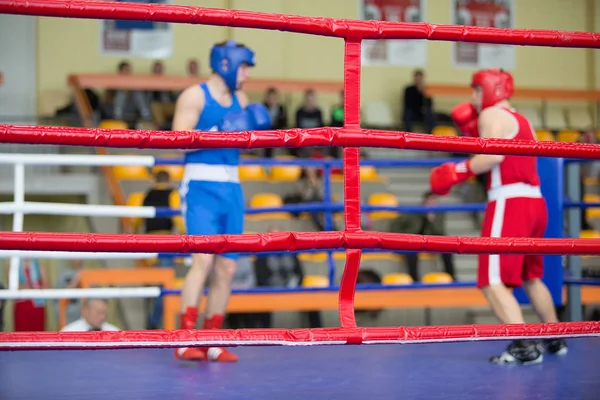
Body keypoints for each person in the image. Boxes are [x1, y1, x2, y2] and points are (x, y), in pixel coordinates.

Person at [428, 68, 567, 365]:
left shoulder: (490, 114)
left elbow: (494, 156)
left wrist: (457, 171)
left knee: (491, 280)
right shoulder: (522, 119)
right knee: (531, 276)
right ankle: (555, 338)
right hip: (535, 202)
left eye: (476, 90)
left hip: (510, 202)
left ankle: (522, 346)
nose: (473, 97)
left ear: (490, 90)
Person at [172, 40, 271, 363]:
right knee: (202, 261)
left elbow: (246, 143)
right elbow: (177, 141)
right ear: (226, 65)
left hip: (232, 187)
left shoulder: (241, 99)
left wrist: (248, 131)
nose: (248, 76)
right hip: (200, 186)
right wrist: (219, 130)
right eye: (244, 68)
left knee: (228, 267)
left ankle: (212, 340)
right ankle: (186, 338)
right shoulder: (194, 96)